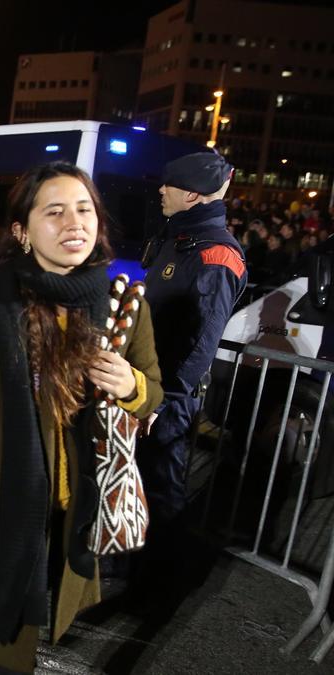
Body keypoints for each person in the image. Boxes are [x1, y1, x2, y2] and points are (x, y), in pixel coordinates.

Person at [0, 162, 164, 673]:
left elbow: (153, 393)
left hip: (75, 510)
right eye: (55, 212)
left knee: (12, 641)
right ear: (22, 232)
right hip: (1, 507)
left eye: (85, 210)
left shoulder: (124, 306)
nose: (75, 223)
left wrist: (132, 386)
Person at [135, 152, 246, 600]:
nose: (160, 191)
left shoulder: (216, 253)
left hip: (168, 398)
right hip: (146, 387)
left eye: (169, 185)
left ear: (193, 195)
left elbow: (202, 339)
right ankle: (136, 569)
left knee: (161, 493)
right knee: (137, 484)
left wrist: (163, 401)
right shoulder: (177, 239)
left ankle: (158, 587)